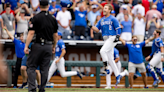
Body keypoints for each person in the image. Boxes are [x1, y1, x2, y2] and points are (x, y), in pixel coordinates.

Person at [24, 0, 58, 91]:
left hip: (37, 45)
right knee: (44, 69)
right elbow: (55, 36)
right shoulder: (53, 19)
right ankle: (42, 89)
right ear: (48, 6)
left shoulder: (36, 18)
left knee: (31, 67)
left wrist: (26, 46)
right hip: (48, 46)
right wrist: (54, 46)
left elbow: (31, 33)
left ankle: (32, 89)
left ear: (39, 5)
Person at [91, 4, 122, 86]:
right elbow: (97, 30)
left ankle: (107, 68)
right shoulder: (101, 20)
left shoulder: (113, 18)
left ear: (109, 10)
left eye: (105, 8)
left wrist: (118, 37)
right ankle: (118, 75)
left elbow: (118, 28)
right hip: (106, 39)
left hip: (112, 37)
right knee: (111, 59)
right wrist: (91, 26)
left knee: (102, 51)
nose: (104, 9)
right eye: (104, 8)